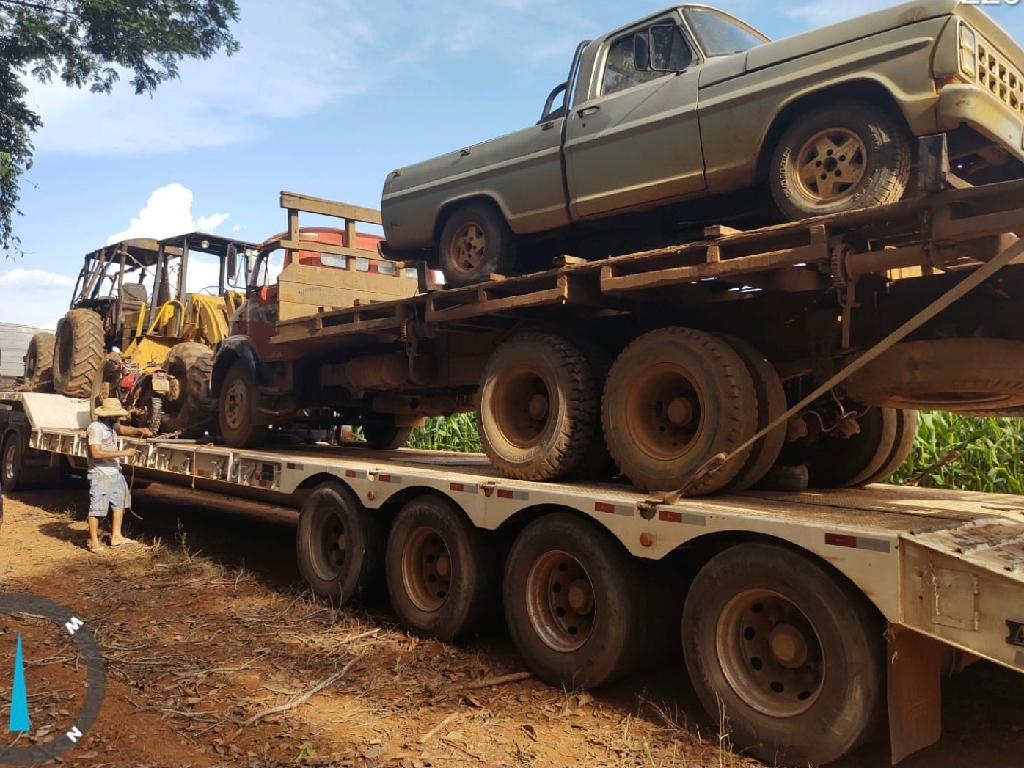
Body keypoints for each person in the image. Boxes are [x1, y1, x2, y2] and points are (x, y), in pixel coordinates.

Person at [86, 398, 152, 553]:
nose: (118, 417)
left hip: (114, 471)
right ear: (108, 415)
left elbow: (122, 429)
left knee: (119, 504)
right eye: (116, 414)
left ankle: (116, 536)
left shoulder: (111, 425)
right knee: (97, 508)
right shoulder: (95, 428)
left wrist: (139, 430)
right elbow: (95, 453)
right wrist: (124, 453)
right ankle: (94, 541)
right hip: (100, 473)